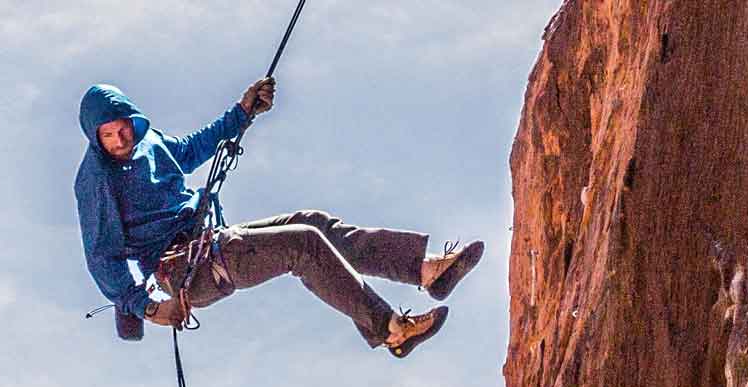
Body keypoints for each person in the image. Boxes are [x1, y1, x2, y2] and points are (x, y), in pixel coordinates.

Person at [73, 79, 483, 357]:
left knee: (313, 223)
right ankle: (391, 327)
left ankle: (426, 271)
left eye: (123, 128)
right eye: (109, 135)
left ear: (132, 120)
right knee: (302, 243)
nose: (121, 140)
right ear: (96, 137)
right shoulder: (96, 182)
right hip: (184, 271)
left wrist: (241, 113)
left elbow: (189, 152)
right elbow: (102, 257)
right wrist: (148, 308)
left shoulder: (149, 142)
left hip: (211, 240)